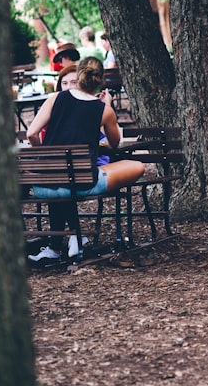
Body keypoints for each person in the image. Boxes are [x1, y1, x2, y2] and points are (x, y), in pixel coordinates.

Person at [25, 57, 145, 262]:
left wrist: (46, 158)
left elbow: (31, 134)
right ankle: (75, 239)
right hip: (81, 183)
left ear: (79, 74)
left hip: (43, 184)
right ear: (100, 81)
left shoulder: (56, 98)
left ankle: (61, 245)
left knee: (63, 180)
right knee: (138, 166)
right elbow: (115, 143)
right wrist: (108, 106)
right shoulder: (103, 110)